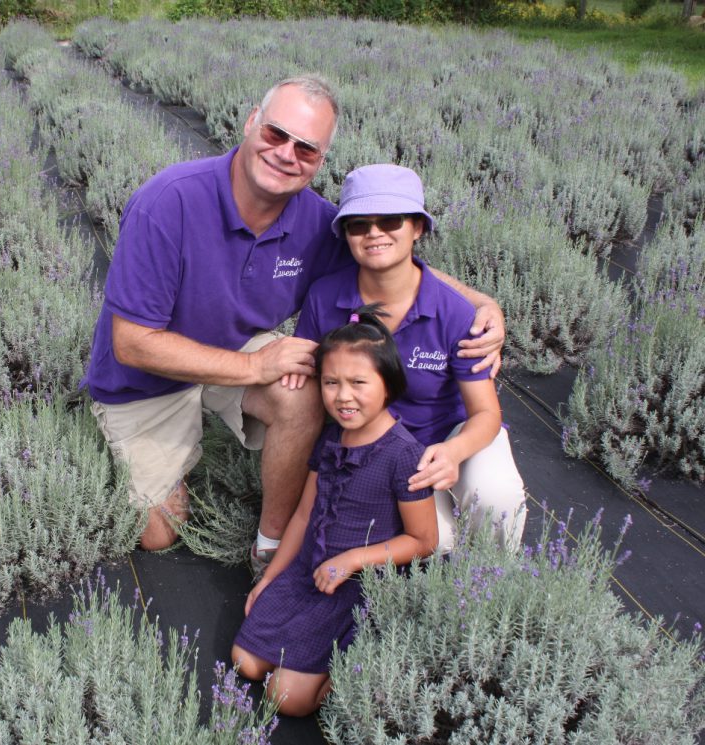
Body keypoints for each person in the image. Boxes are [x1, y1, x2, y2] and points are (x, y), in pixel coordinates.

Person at [83, 74, 505, 559]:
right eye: (275, 134)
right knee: (159, 533)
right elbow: (132, 343)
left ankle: (271, 545)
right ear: (250, 124)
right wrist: (254, 368)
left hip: (231, 346)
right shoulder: (168, 203)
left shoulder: (316, 224)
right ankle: (147, 450)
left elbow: (391, 258)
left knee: (302, 392)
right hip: (145, 378)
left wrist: (481, 302)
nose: (286, 154)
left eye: (306, 148)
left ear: (320, 162)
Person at [295, 164, 526, 551]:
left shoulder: (454, 312)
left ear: (417, 227)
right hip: (371, 448)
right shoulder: (325, 297)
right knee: (428, 542)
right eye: (358, 225)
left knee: (496, 499)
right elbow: (309, 385)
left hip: (447, 438)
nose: (374, 234)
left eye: (390, 220)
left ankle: (495, 580)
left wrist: (453, 452)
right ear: (346, 235)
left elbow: (486, 413)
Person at [231, 306, 437, 716]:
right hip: (308, 573)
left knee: (284, 699)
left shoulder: (404, 456)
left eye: (359, 382)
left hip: (354, 586)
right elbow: (305, 516)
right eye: (331, 383)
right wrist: (271, 576)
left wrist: (353, 560)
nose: (343, 396)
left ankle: (341, 669)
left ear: (388, 386)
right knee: (245, 663)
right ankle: (301, 656)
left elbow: (423, 541)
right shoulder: (331, 441)